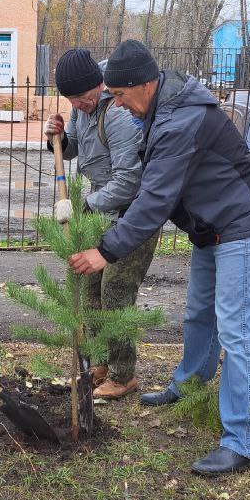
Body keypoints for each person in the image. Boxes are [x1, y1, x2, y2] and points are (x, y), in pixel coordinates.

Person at [68, 41, 250, 477]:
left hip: (239, 224)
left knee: (235, 329)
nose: (118, 104)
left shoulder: (180, 120)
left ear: (145, 84)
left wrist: (105, 250)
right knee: (199, 312)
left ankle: (242, 441)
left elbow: (154, 198)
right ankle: (190, 385)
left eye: (121, 96)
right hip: (208, 225)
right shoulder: (158, 105)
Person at [44, 47, 158, 400]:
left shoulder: (119, 117)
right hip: (100, 214)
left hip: (131, 218)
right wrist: (58, 137)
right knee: (91, 291)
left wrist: (84, 204)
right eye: (72, 100)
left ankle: (124, 375)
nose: (80, 104)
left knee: (115, 294)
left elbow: (129, 180)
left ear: (100, 84)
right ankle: (102, 362)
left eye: (85, 96)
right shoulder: (82, 110)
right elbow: (75, 146)